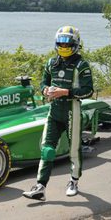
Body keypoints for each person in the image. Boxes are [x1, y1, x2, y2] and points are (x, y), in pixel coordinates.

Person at [23, 25, 94, 201]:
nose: (63, 48)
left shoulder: (81, 65)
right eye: (60, 44)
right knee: (47, 149)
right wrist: (45, 90)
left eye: (67, 45)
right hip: (54, 111)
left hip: (72, 111)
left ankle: (74, 181)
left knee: (74, 150)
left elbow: (88, 91)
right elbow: (42, 83)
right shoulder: (51, 63)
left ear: (75, 44)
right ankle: (40, 187)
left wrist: (65, 92)